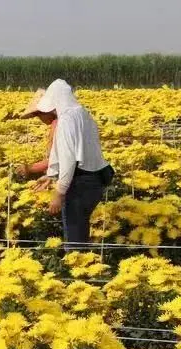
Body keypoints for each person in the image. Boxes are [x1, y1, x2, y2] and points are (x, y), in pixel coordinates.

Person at [32, 79, 114, 249]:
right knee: (81, 233)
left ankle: (77, 270)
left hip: (79, 183)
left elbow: (69, 158)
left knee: (75, 238)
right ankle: (82, 265)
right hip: (95, 179)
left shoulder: (67, 119)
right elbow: (83, 149)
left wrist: (59, 193)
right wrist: (51, 174)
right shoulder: (83, 113)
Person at [16, 89, 58, 177]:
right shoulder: (60, 122)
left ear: (46, 111)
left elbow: (59, 159)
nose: (39, 119)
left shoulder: (59, 125)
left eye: (38, 115)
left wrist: (30, 168)